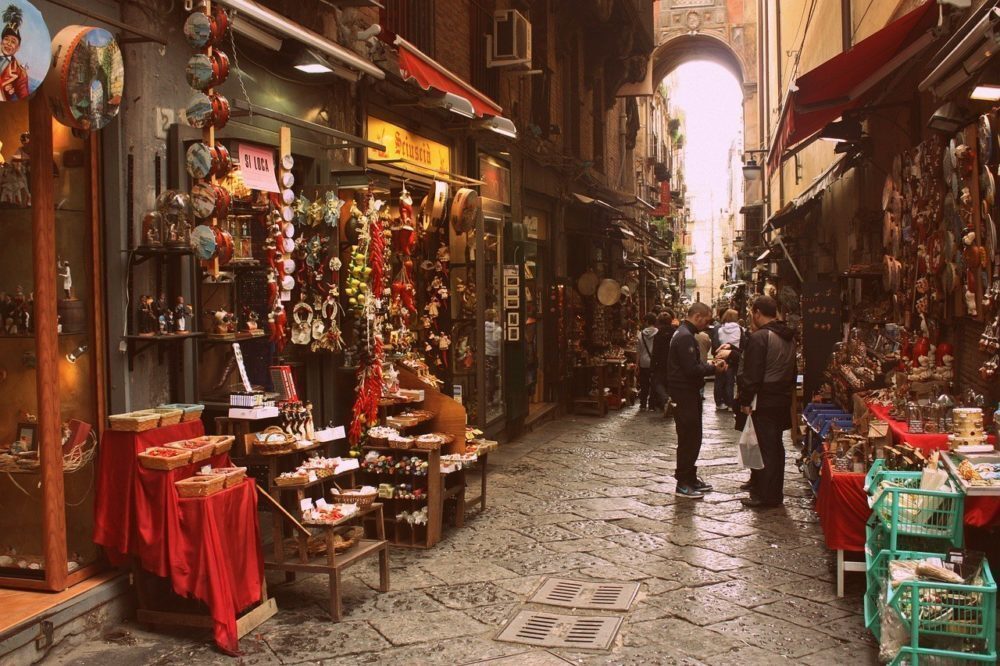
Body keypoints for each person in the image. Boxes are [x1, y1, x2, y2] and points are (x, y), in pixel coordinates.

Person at [736, 296, 797, 508]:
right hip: (781, 399)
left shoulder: (760, 337)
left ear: (757, 312)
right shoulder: (788, 336)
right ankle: (773, 492)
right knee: (776, 447)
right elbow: (793, 369)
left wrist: (744, 399)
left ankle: (767, 496)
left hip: (764, 399)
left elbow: (753, 374)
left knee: (765, 448)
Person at [667, 302, 727, 498]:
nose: (706, 324)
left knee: (693, 436)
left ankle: (690, 477)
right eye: (706, 320)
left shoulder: (685, 334)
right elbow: (691, 369)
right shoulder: (685, 337)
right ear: (699, 316)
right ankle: (683, 483)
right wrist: (714, 369)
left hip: (686, 393)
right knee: (688, 438)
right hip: (684, 394)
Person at [1, 5, 30, 102]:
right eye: (6, 39)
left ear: (18, 48)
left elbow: (23, 98)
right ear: (1, 41)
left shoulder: (20, 73)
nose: (8, 44)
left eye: (13, 41)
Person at [716, 309, 744, 410]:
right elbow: (742, 344)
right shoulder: (740, 329)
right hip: (734, 355)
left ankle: (720, 402)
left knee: (720, 380)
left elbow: (717, 342)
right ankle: (730, 403)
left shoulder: (720, 329)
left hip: (722, 355)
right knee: (731, 381)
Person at [649, 311, 676, 413]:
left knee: (657, 383)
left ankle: (665, 399)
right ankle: (667, 403)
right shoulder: (675, 333)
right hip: (673, 363)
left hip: (660, 363)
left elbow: (655, 352)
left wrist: (652, 366)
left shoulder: (658, 335)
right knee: (669, 383)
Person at [635, 313, 658, 410]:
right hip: (654, 362)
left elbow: (638, 351)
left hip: (644, 362)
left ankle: (643, 404)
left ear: (647, 322)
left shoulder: (640, 334)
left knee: (644, 384)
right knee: (654, 384)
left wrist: (637, 364)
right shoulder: (658, 332)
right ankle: (652, 405)